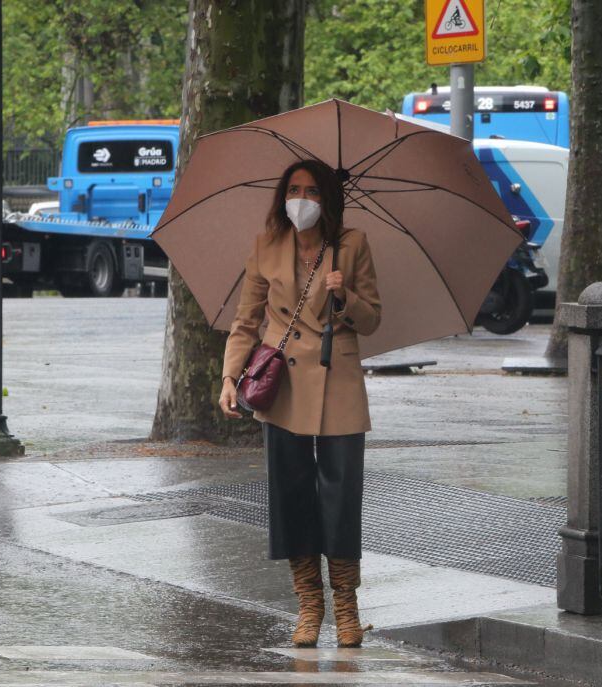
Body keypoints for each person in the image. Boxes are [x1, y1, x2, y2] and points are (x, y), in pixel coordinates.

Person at [218, 159, 381, 647]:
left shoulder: (352, 245)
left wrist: (344, 295)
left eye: (312, 191)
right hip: (282, 385)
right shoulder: (267, 245)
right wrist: (230, 376)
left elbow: (372, 318)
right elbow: (246, 320)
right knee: (290, 495)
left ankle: (346, 608)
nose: (301, 199)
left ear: (327, 199)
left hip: (339, 381)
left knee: (340, 495)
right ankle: (309, 606)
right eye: (293, 189)